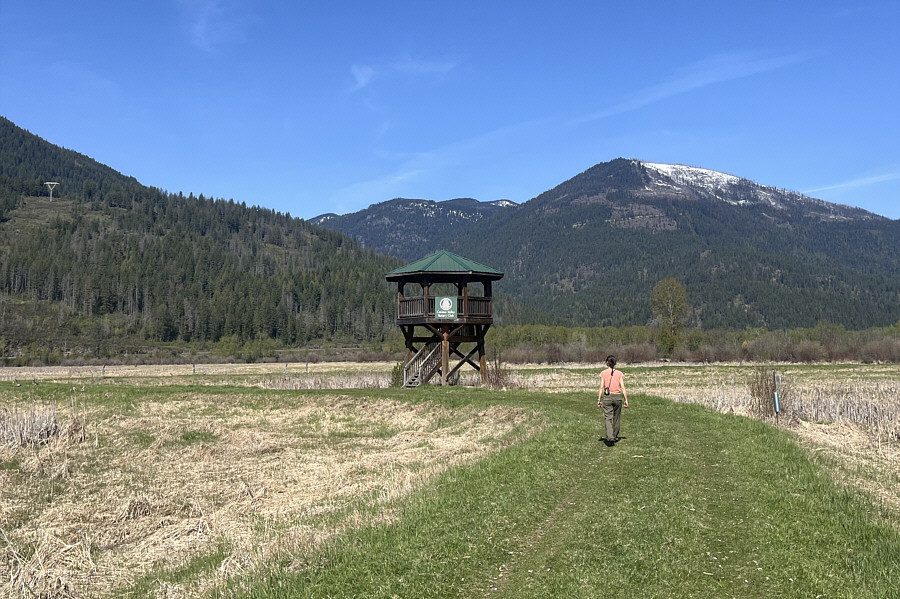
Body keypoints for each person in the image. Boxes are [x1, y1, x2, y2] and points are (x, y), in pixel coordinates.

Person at [598, 355, 628, 446]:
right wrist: (626, 399)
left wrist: (599, 399)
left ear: (607, 362)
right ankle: (614, 436)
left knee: (608, 417)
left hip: (607, 397)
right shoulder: (619, 373)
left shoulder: (603, 373)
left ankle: (610, 436)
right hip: (618, 397)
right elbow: (622, 387)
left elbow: (601, 387)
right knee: (616, 418)